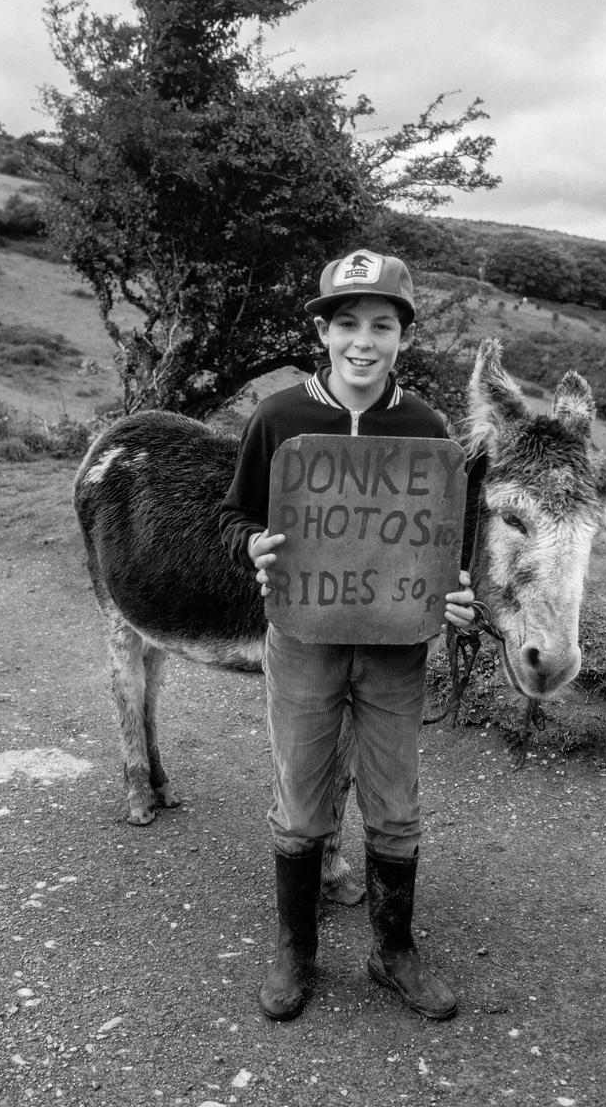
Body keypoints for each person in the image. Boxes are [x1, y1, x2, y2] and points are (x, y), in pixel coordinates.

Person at [219, 249, 475, 1022]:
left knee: (396, 805)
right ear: (324, 333)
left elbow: (442, 548)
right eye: (348, 324)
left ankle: (392, 951)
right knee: (301, 802)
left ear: (402, 336)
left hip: (397, 646)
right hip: (303, 639)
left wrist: (456, 599)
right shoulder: (279, 417)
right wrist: (252, 546)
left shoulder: (425, 429)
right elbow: (234, 517)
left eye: (383, 325)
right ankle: (296, 952)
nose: (364, 341)